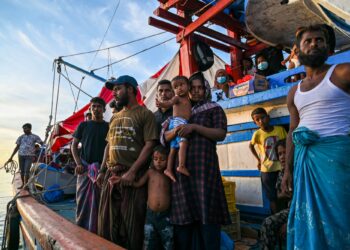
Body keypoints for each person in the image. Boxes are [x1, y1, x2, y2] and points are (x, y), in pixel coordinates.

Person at [281, 24, 350, 249]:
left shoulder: (342, 72)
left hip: (338, 158)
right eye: (307, 41)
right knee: (309, 218)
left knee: (341, 217)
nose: (314, 44)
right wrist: (287, 170)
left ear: (328, 47)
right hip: (304, 161)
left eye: (319, 40)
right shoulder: (294, 92)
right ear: (297, 51)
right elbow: (293, 130)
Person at [162, 71, 231, 250]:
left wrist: (194, 127)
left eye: (201, 87)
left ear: (206, 89)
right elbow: (164, 137)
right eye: (193, 88)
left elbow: (221, 133)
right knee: (184, 222)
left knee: (207, 218)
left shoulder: (213, 108)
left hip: (204, 171)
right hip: (181, 174)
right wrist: (177, 130)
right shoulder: (178, 111)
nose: (197, 91)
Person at [96, 75, 158, 249]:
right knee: (107, 224)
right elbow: (109, 145)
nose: (114, 93)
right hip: (111, 174)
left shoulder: (145, 114)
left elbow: (150, 145)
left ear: (130, 89)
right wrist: (102, 170)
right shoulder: (115, 117)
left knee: (132, 226)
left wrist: (132, 172)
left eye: (117, 89)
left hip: (133, 175)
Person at [109, 145, 173, 250]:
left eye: (162, 159)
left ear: (168, 160)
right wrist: (120, 180)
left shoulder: (169, 174)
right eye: (156, 159)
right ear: (152, 159)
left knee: (168, 243)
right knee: (149, 243)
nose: (158, 162)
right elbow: (138, 184)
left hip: (166, 216)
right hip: (150, 216)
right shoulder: (150, 173)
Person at [71, 97, 109, 233]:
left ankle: (99, 231)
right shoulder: (83, 125)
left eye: (99, 106)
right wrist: (79, 163)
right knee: (82, 202)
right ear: (90, 109)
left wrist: (103, 169)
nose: (96, 109)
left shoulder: (108, 126)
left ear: (104, 109)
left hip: (102, 171)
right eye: (93, 107)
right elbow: (74, 145)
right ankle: (82, 231)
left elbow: (109, 148)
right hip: (85, 170)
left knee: (101, 203)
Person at [249, 108, 287, 214]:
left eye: (263, 117)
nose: (261, 121)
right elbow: (251, 146)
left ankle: (286, 219)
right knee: (272, 197)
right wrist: (258, 160)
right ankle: (275, 219)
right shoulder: (257, 134)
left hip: (281, 168)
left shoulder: (279, 130)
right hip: (267, 170)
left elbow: (287, 144)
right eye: (257, 120)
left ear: (268, 118)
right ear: (255, 122)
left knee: (285, 194)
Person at [156, 76, 192, 182]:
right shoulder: (153, 116)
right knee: (183, 143)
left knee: (173, 149)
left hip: (179, 162)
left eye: (167, 90)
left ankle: (169, 169)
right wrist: (161, 104)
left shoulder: (185, 101)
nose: (163, 94)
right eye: (160, 91)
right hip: (159, 164)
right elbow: (158, 140)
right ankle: (180, 166)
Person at [261, 139, 291, 250]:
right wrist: (286, 194)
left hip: (303, 210)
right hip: (290, 210)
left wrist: (288, 223)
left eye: (285, 152)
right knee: (267, 223)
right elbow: (279, 195)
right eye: (280, 154)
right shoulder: (282, 172)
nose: (282, 157)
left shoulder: (301, 169)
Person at [6, 123, 43, 188]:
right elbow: (17, 147)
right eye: (23, 129)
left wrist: (43, 143)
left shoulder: (35, 137)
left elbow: (41, 143)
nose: (24, 130)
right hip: (21, 156)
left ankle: (26, 185)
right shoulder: (21, 137)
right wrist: (11, 157)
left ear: (30, 128)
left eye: (26, 128)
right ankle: (23, 184)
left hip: (29, 156)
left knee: (26, 170)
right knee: (22, 171)